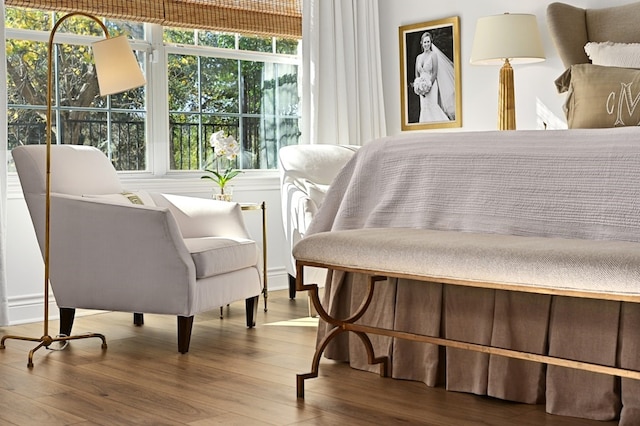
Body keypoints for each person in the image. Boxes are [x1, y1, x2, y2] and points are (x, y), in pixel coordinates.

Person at [413, 31, 456, 122]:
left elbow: (435, 73)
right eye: (425, 42)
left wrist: (428, 86)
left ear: (431, 42)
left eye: (428, 42)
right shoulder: (418, 57)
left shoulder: (433, 55)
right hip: (421, 86)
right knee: (424, 108)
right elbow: (417, 73)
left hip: (431, 85)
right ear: (421, 43)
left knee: (432, 106)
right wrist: (418, 85)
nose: (426, 44)